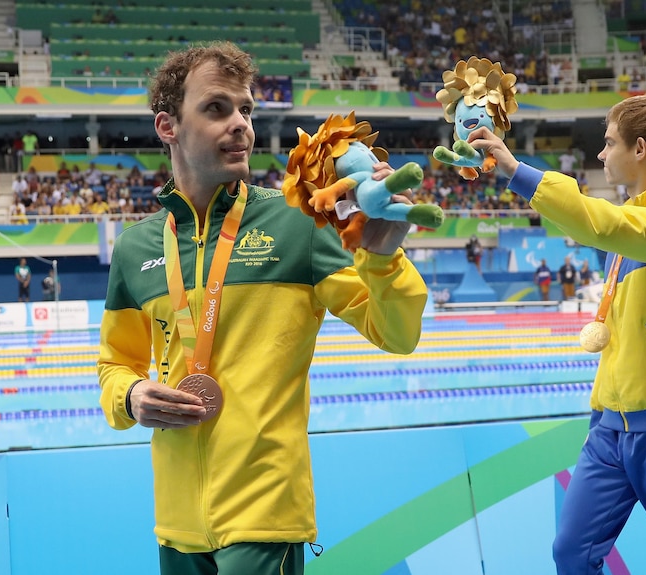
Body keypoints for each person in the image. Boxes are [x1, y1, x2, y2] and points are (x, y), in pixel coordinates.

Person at [96, 42, 427, 575]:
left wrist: (384, 258)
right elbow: (115, 363)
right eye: (216, 108)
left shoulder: (299, 224)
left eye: (246, 109)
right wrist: (130, 396)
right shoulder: (136, 249)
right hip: (177, 522)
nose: (240, 125)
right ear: (167, 126)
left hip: (265, 515)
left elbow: (397, 333)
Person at [467, 91, 646, 575]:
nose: (602, 154)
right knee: (570, 552)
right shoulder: (635, 223)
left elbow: (602, 223)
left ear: (641, 149)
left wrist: (517, 170)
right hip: (610, 427)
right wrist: (600, 413)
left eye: (608, 144)